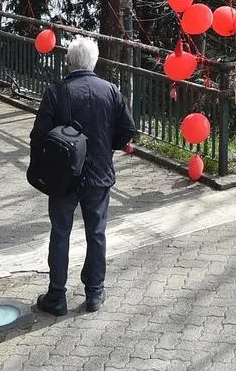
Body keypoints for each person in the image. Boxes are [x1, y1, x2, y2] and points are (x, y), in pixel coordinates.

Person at [30, 36, 135, 316]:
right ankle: (94, 293)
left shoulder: (56, 91)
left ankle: (57, 295)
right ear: (95, 61)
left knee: (60, 233)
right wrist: (105, 148)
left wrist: (41, 171)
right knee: (96, 233)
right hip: (99, 174)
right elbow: (127, 131)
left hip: (63, 177)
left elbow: (38, 136)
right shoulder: (111, 90)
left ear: (69, 62)